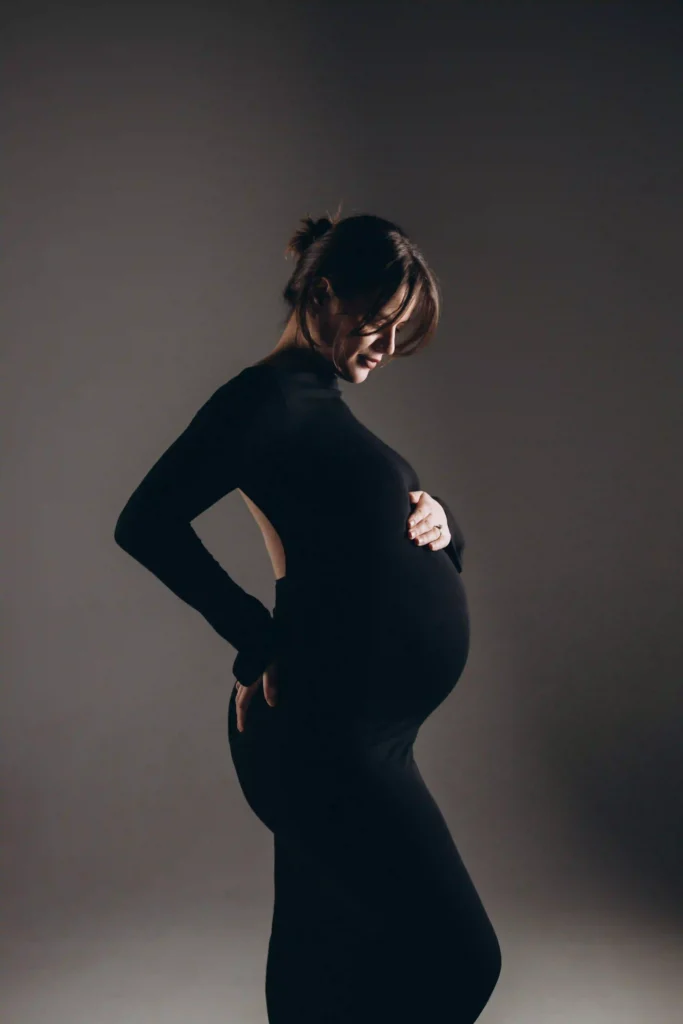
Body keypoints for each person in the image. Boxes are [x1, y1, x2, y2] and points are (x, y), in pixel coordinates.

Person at [114, 210, 502, 1022]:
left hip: (361, 734)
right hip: (324, 735)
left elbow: (371, 540)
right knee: (460, 959)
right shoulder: (263, 400)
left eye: (401, 333)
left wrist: (441, 519)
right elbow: (145, 522)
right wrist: (255, 640)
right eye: (376, 322)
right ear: (323, 295)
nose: (386, 347)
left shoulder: (320, 404)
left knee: (320, 959)